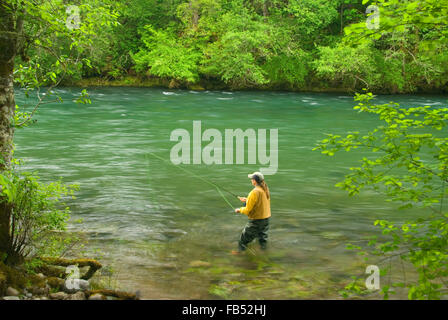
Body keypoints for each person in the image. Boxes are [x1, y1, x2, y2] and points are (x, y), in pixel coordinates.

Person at [233, 171, 271, 254]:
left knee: (243, 240)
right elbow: (260, 202)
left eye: (252, 179)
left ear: (255, 181)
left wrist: (239, 210)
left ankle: (240, 253)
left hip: (257, 221)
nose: (251, 180)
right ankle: (264, 253)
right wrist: (247, 200)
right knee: (262, 239)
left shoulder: (254, 192)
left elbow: (247, 210)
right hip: (266, 219)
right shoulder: (265, 189)